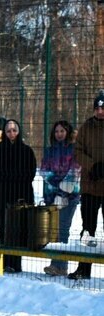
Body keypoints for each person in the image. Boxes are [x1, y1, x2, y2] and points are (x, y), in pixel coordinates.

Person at [0, 118, 37, 273]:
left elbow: (30, 173)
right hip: (3, 195)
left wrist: (11, 178)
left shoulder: (27, 151)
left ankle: (16, 264)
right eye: (8, 130)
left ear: (19, 131)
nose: (11, 133)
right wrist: (9, 178)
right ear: (5, 132)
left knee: (19, 229)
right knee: (3, 228)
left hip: (21, 195)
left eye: (14, 130)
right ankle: (4, 263)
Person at [69, 90, 104, 280]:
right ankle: (84, 268)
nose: (100, 111)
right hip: (90, 185)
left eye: (103, 108)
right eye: (97, 108)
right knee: (87, 229)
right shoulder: (85, 128)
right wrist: (93, 166)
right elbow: (78, 151)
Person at [40, 120, 80, 276]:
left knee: (63, 229)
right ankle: (56, 265)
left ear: (67, 132)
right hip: (52, 195)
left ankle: (60, 265)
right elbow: (44, 170)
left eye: (62, 131)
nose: (59, 134)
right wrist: (57, 184)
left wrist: (64, 189)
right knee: (53, 230)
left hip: (70, 195)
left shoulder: (74, 149)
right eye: (56, 131)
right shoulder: (49, 151)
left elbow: (75, 171)